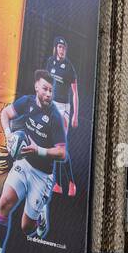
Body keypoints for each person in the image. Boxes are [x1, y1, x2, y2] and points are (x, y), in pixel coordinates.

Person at [0, 71, 67, 253]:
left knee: (26, 228)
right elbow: (5, 113)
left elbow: (62, 153)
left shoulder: (55, 118)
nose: (48, 94)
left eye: (51, 90)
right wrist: (8, 135)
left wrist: (38, 150)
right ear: (36, 87)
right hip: (23, 164)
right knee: (4, 202)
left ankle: (41, 214)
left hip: (42, 175)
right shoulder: (27, 102)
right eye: (45, 89)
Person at [42, 37, 79, 195]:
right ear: (56, 48)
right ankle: (57, 184)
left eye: (64, 47)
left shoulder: (69, 67)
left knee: (60, 145)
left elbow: (76, 93)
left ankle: (71, 182)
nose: (62, 50)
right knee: (52, 144)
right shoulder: (50, 62)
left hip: (64, 107)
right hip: (51, 105)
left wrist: (75, 115)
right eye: (59, 47)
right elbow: (45, 84)